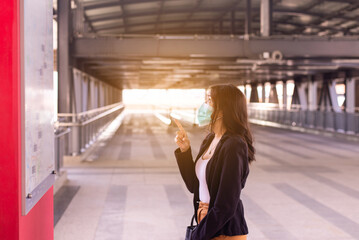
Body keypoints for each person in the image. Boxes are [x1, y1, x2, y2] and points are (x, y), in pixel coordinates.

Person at [173, 84, 255, 240]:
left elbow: (226, 205)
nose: (204, 106)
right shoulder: (210, 139)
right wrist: (185, 151)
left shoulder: (234, 145)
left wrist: (197, 236)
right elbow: (193, 185)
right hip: (207, 221)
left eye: (209, 100)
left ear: (224, 109)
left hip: (224, 229)